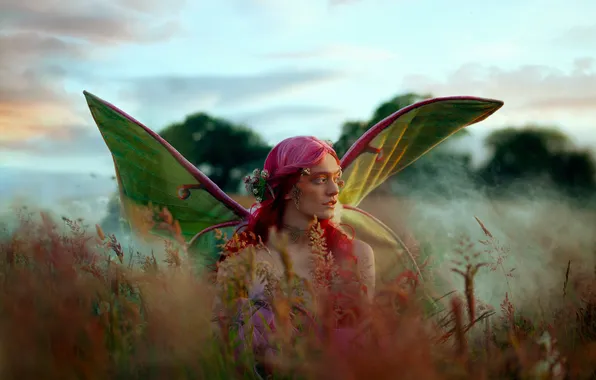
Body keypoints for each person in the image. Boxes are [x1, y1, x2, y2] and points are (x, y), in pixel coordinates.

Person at [213, 136, 375, 372]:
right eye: (320, 180)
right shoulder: (243, 260)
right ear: (287, 189)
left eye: (336, 179)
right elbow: (218, 346)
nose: (334, 190)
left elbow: (367, 346)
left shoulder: (357, 255)